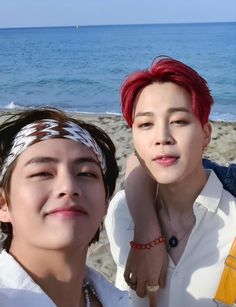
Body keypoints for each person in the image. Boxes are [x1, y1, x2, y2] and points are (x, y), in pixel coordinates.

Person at [105, 57, 236, 307]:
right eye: (145, 124)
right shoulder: (122, 212)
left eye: (178, 121)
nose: (161, 137)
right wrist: (146, 232)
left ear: (206, 134)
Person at [0, 107, 129, 307]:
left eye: (86, 173)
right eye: (42, 173)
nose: (69, 187)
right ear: (3, 203)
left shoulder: (121, 301)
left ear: (106, 201)